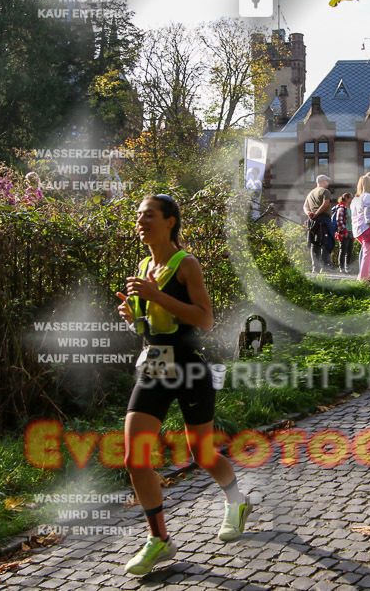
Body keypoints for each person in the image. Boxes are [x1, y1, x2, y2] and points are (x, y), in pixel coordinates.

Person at [115, 194, 251, 576]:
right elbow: (155, 326)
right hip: (156, 363)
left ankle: (236, 501)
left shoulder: (185, 264)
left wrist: (156, 296)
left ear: (171, 221)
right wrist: (133, 316)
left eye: (149, 216)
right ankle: (159, 540)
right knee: (134, 457)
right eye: (138, 216)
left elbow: (205, 320)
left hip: (189, 365)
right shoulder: (144, 264)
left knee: (200, 451)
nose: (141, 222)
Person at [303, 175, 334, 273]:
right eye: (327, 181)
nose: (328, 183)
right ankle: (325, 267)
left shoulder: (310, 193)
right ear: (322, 181)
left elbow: (305, 206)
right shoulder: (325, 191)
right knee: (326, 242)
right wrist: (316, 213)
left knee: (314, 243)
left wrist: (309, 213)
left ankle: (315, 267)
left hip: (312, 221)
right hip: (323, 220)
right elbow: (325, 204)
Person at [351, 173, 370, 281]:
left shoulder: (355, 199)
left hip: (358, 229)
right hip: (367, 228)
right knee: (368, 253)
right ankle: (363, 277)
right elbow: (368, 214)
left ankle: (365, 275)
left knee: (366, 253)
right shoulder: (368, 196)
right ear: (369, 184)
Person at [334, 193, 354, 274]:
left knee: (349, 251)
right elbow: (339, 220)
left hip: (351, 232)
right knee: (343, 250)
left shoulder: (351, 208)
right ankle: (341, 268)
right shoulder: (342, 208)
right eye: (351, 198)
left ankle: (347, 268)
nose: (352, 200)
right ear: (346, 198)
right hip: (344, 232)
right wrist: (344, 230)